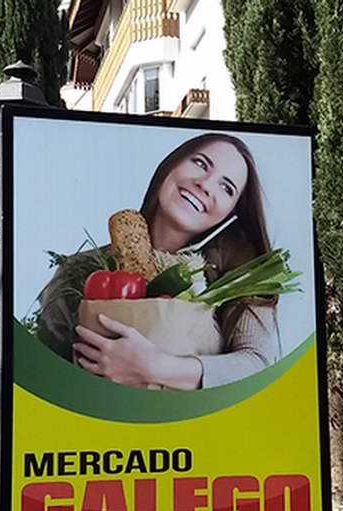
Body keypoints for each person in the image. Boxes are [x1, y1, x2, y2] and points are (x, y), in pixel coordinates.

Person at [36, 133, 279, 389]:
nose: (206, 184)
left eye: (226, 188)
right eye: (200, 163)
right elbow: (42, 370)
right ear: (170, 165)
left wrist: (154, 367)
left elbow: (257, 364)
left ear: (231, 213)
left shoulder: (236, 274)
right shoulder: (76, 272)